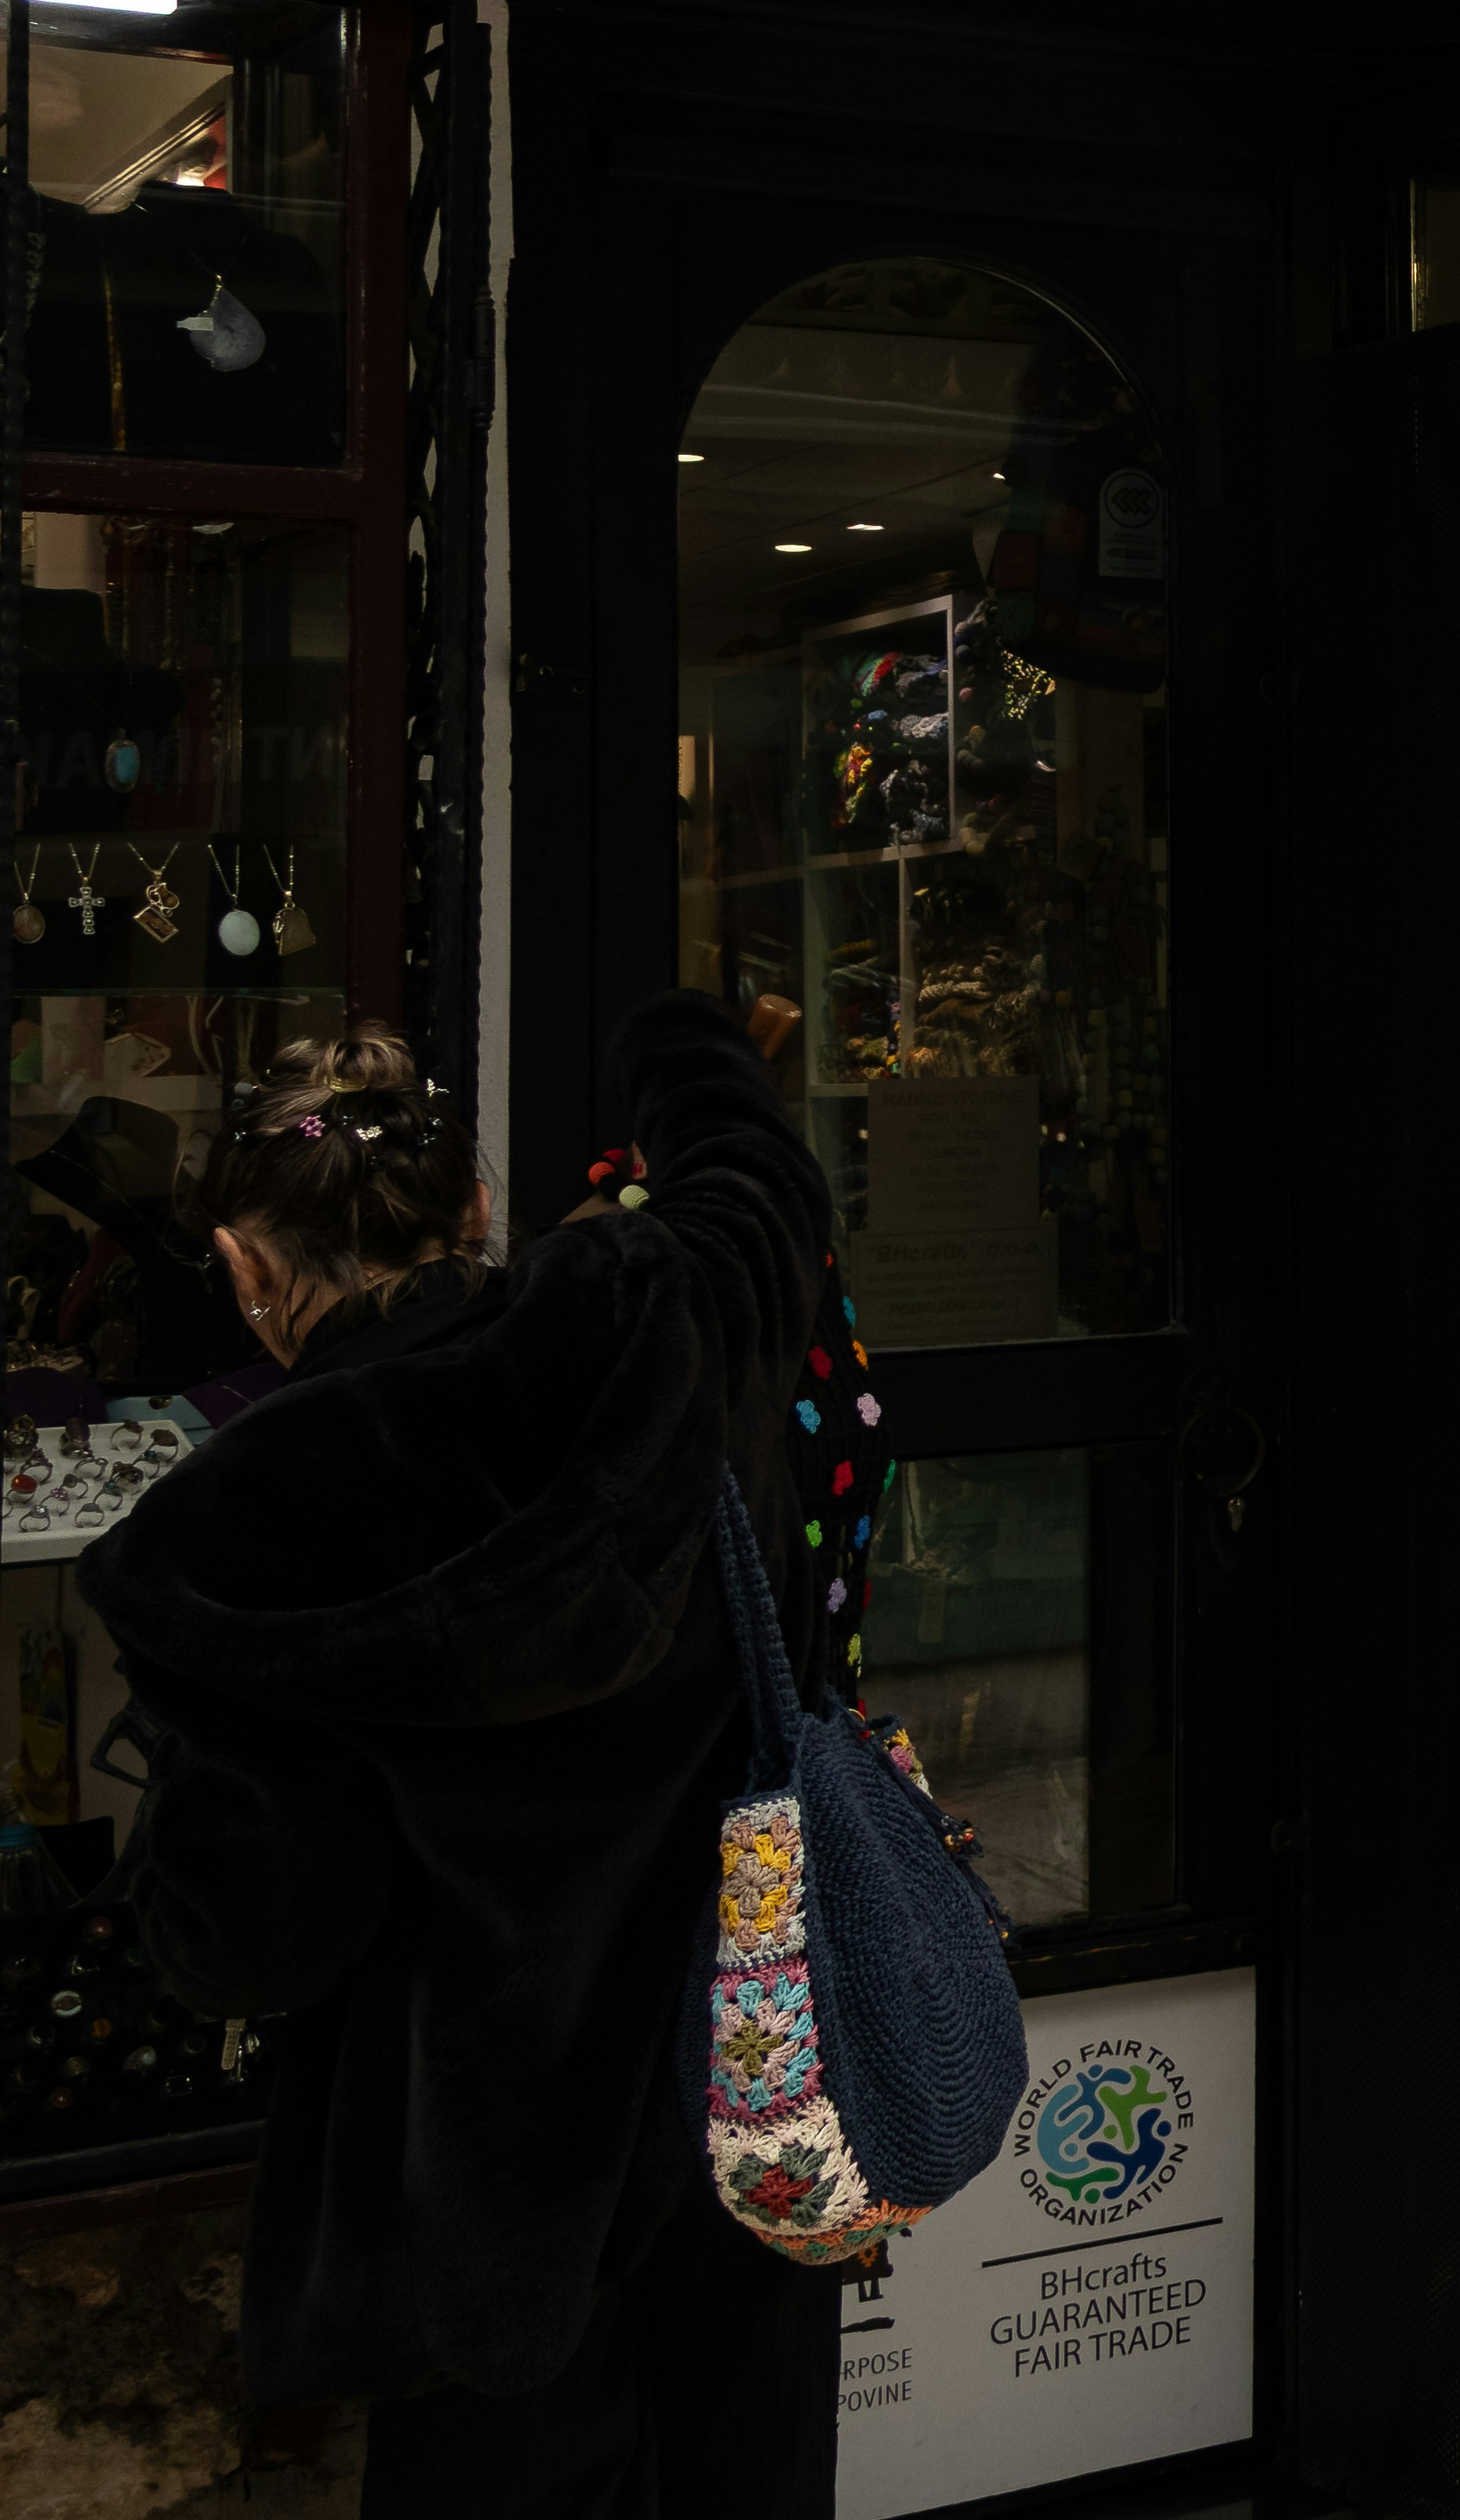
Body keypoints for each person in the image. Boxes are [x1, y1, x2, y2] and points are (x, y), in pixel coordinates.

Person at [81, 1002, 853, 2515]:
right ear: (478, 1209)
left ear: (242, 1273)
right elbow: (760, 1185)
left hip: (473, 2220)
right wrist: (684, 1035)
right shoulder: (663, 1313)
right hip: (746, 2110)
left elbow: (256, 1936)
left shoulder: (234, 1539)